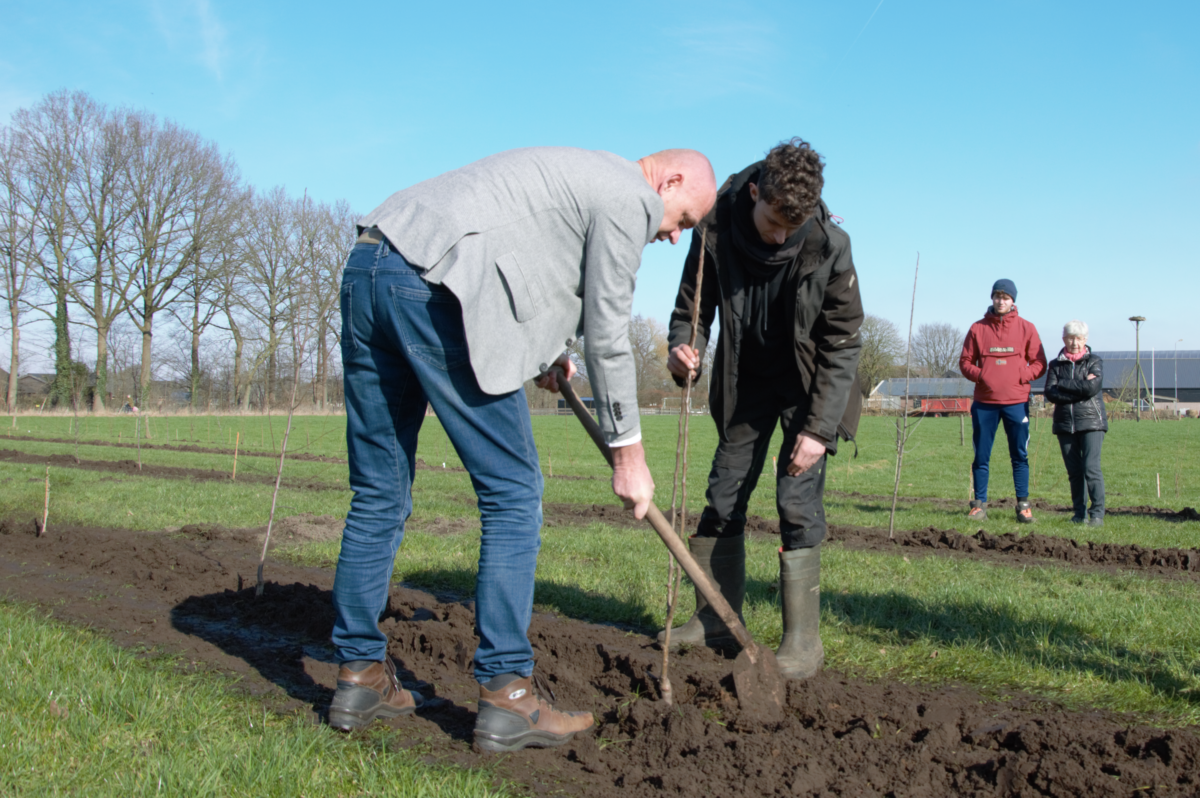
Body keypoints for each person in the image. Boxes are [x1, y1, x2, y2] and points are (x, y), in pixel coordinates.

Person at [329, 147, 717, 753]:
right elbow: (610, 331)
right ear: (668, 181)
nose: (673, 236)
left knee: (378, 490)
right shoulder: (629, 195)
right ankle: (508, 696)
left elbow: (530, 268)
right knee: (512, 495)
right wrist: (629, 455)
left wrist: (547, 354)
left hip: (370, 264)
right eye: (684, 219)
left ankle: (359, 676)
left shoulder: (578, 175)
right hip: (434, 287)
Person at [661, 138, 863, 680]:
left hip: (808, 387)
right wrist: (685, 348)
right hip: (743, 378)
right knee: (723, 493)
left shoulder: (829, 246)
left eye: (790, 229)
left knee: (796, 502)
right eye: (773, 221)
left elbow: (843, 344)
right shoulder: (713, 229)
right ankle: (713, 620)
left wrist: (819, 431)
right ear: (755, 192)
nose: (780, 236)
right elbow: (692, 308)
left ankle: (803, 642)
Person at [958, 279, 1048, 523]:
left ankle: (1023, 506)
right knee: (981, 456)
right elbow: (965, 362)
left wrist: (1022, 376)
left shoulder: (1027, 328)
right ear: (992, 298)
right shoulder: (977, 328)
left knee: (1019, 455)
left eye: (1006, 297)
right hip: (985, 403)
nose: (1001, 301)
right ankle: (979, 505)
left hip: (1016, 402)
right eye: (997, 296)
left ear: (1013, 301)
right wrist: (982, 375)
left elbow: (1040, 363)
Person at [1044, 320, 1107, 526]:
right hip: (1064, 425)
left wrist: (1063, 384)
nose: (1075, 343)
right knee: (1074, 472)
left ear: (1085, 340)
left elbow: (1092, 388)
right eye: (1071, 338)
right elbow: (1050, 393)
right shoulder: (1055, 364)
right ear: (1064, 339)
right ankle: (1079, 514)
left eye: (1079, 338)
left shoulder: (1094, 361)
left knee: (1091, 468)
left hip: (1091, 422)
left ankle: (1097, 514)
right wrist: (1079, 388)